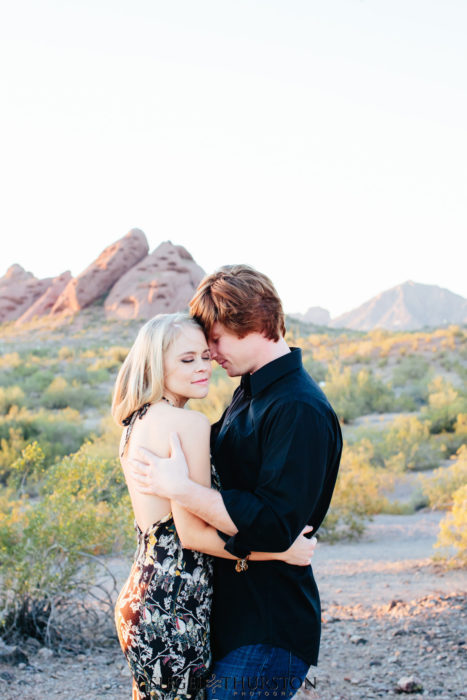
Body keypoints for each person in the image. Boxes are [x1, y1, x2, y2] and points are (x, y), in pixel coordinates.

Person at [129, 265, 343, 699]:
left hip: (268, 628)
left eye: (215, 340)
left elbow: (273, 524)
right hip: (229, 621)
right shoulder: (250, 393)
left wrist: (183, 491)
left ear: (252, 326)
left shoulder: (297, 408)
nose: (211, 353)